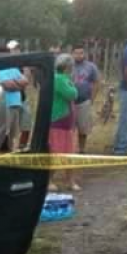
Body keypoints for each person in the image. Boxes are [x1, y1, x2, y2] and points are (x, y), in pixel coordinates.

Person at [50, 54, 82, 192]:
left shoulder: (65, 78)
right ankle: (48, 180)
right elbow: (72, 94)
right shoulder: (59, 79)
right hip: (58, 122)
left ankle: (70, 181)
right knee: (56, 153)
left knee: (70, 152)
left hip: (67, 123)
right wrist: (73, 87)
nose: (73, 68)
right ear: (67, 66)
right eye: (72, 66)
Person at [0, 45, 29, 152]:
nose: (4, 59)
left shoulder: (13, 68)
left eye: (6, 56)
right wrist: (18, 84)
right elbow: (7, 85)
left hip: (16, 104)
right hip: (5, 105)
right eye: (2, 56)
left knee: (14, 135)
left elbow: (26, 81)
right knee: (5, 134)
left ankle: (10, 153)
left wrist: (14, 84)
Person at [71, 44, 102, 154]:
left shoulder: (91, 66)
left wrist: (91, 99)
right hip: (69, 102)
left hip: (84, 101)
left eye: (81, 53)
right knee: (69, 128)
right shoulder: (68, 66)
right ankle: (70, 150)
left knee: (83, 128)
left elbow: (97, 82)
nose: (79, 55)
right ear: (72, 54)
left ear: (84, 54)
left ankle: (82, 150)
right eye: (76, 53)